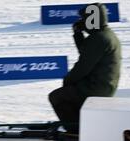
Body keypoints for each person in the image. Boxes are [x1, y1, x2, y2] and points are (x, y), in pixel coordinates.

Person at [48, 2, 121, 133]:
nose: (82, 21)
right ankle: (82, 126)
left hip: (96, 88)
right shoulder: (104, 34)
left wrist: (68, 81)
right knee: (69, 93)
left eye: (84, 19)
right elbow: (86, 52)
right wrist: (78, 34)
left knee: (57, 96)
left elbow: (82, 67)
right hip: (102, 85)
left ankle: (77, 131)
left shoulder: (98, 38)